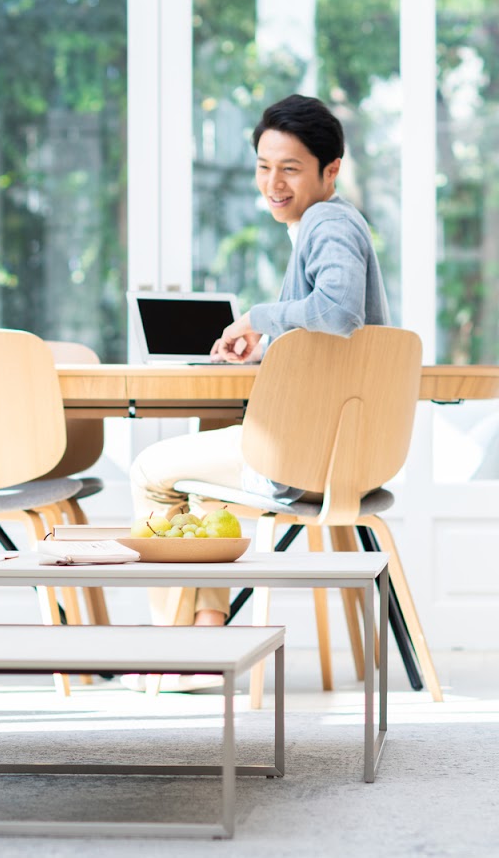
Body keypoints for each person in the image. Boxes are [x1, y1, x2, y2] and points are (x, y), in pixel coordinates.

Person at [128, 94, 390, 646]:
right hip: (346, 452)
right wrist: (270, 349)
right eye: (264, 167)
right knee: (202, 480)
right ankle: (205, 630)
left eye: (290, 169)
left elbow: (339, 311)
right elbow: (331, 344)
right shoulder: (323, 225)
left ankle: (168, 647)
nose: (273, 183)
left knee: (151, 471)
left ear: (331, 169)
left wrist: (257, 316)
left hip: (306, 456)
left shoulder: (328, 223)